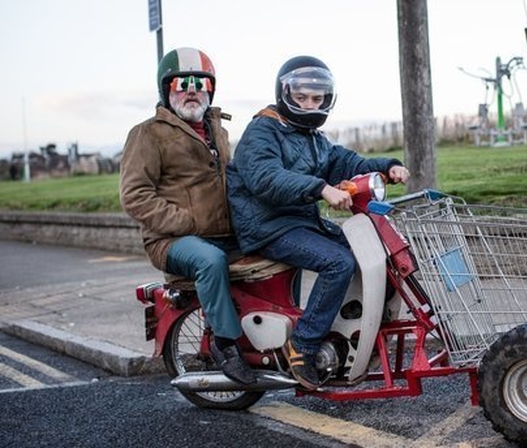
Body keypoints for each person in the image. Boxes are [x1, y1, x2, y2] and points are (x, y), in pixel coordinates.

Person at [226, 55, 410, 390]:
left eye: (317, 98)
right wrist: (320, 188)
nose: (310, 104)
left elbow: (345, 161)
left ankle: (350, 332)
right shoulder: (263, 130)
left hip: (299, 222)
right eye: (301, 97)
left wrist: (386, 166)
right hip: (268, 225)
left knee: (369, 252)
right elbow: (266, 178)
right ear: (284, 94)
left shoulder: (311, 135)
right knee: (337, 262)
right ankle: (304, 344)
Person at [119, 47, 256, 385]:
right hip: (172, 240)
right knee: (210, 261)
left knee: (284, 246)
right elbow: (134, 195)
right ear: (167, 89)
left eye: (200, 82)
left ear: (211, 89)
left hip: (224, 233)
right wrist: (185, 223)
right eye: (182, 82)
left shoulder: (217, 131)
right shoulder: (147, 133)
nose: (192, 89)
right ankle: (225, 345)